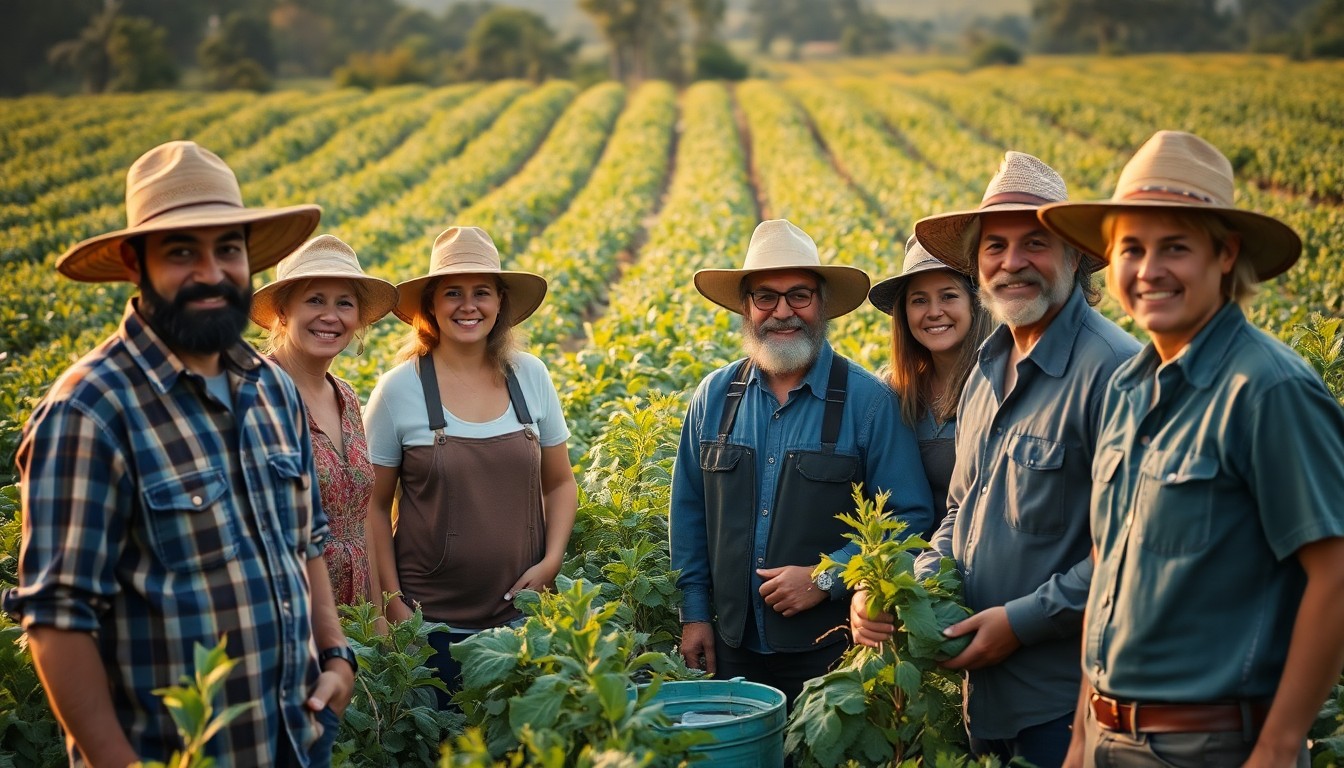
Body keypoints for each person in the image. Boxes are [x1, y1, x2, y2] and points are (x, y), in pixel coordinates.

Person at [2, 140, 354, 767]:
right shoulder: (91, 412)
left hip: (297, 740)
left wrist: (334, 654)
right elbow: (57, 620)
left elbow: (307, 540)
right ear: (136, 262)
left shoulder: (270, 387)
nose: (211, 272)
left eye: (228, 250)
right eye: (182, 252)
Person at [1037, 131, 1344, 768]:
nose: (1149, 271)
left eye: (1174, 248)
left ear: (1225, 254)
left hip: (1211, 744)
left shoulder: (1265, 389)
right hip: (1107, 738)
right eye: (1132, 249)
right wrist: (1079, 737)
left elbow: (1336, 573)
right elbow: (1107, 576)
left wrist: (1280, 746)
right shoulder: (1125, 388)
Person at [851, 152, 1140, 766]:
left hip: (1071, 706)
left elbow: (1136, 553)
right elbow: (960, 512)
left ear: (1075, 257)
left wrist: (1020, 622)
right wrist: (908, 589)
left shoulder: (1114, 372)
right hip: (984, 696)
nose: (1011, 262)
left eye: (1035, 242)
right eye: (994, 247)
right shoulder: (986, 370)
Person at [671, 218, 934, 707]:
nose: (782, 312)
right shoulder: (713, 396)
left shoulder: (869, 402)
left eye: (799, 296)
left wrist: (825, 577)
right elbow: (689, 514)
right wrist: (694, 613)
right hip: (732, 646)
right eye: (766, 297)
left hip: (832, 651)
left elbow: (908, 521)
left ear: (822, 305)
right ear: (747, 308)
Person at [363, 225, 578, 705]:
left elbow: (561, 484)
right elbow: (373, 508)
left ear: (499, 302)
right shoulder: (399, 390)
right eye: (452, 293)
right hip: (430, 626)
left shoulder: (530, 375)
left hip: (520, 623)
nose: (468, 306)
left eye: (481, 292)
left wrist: (551, 561)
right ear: (431, 307)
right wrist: (393, 604)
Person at [251, 234, 398, 606]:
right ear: (283, 312)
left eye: (344, 304)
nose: (330, 316)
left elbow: (363, 519)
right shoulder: (256, 393)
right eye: (315, 300)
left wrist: (378, 622)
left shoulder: (346, 396)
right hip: (292, 608)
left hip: (356, 612)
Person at [867, 233, 993, 531]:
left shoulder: (999, 386)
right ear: (904, 314)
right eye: (919, 300)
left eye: (948, 296)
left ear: (975, 304)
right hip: (904, 564)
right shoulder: (893, 392)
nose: (934, 312)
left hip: (979, 564)